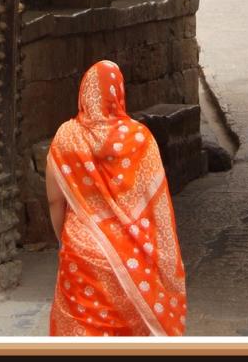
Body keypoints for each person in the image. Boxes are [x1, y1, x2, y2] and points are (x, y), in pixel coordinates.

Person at [46, 59, 187, 337]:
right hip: (131, 257)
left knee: (80, 330)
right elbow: (156, 204)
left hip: (81, 248)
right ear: (119, 93)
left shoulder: (67, 136)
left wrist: (66, 239)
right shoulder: (139, 138)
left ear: (83, 92)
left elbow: (54, 200)